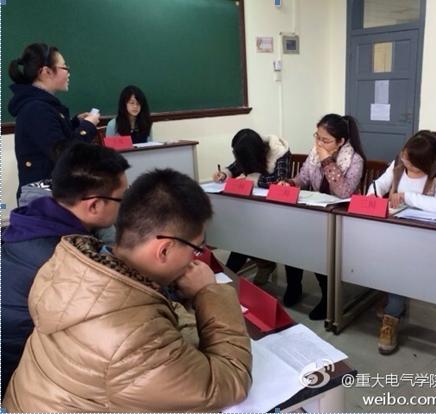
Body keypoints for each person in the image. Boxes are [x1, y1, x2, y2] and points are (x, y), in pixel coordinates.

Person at [2, 169, 252, 412]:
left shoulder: (70, 261)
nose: (194, 259)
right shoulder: (134, 339)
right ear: (164, 250)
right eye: (195, 249)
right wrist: (208, 291)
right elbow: (229, 381)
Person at [1, 142, 129, 395]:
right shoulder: (68, 261)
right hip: (17, 380)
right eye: (122, 198)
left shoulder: (30, 221)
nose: (125, 205)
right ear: (94, 205)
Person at [367, 130, 436, 354]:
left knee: (400, 263)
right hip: (395, 231)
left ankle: (391, 316)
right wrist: (371, 198)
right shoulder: (399, 163)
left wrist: (406, 196)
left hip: (426, 237)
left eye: (413, 163)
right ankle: (391, 301)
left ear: (428, 162)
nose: (406, 164)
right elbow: (379, 186)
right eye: (405, 157)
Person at [278, 114, 366, 320]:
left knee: (319, 247)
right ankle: (294, 285)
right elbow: (303, 178)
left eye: (325, 140)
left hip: (343, 217)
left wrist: (326, 159)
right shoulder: (314, 154)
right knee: (292, 239)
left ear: (341, 141)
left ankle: (329, 297)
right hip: (318, 212)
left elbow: (343, 192)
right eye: (317, 137)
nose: (319, 143)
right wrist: (289, 183)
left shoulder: (355, 160)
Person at [8, 43, 100, 200]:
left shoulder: (42, 105)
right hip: (42, 195)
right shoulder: (37, 108)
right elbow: (65, 154)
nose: (68, 72)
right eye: (65, 67)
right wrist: (87, 126)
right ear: (46, 72)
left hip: (52, 190)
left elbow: (54, 138)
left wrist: (76, 123)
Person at [213, 128, 291, 285]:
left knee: (247, 234)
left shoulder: (279, 151)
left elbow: (279, 181)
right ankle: (262, 263)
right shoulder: (248, 150)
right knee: (243, 233)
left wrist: (254, 180)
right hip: (253, 206)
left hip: (276, 209)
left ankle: (258, 265)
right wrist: (224, 174)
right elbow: (236, 166)